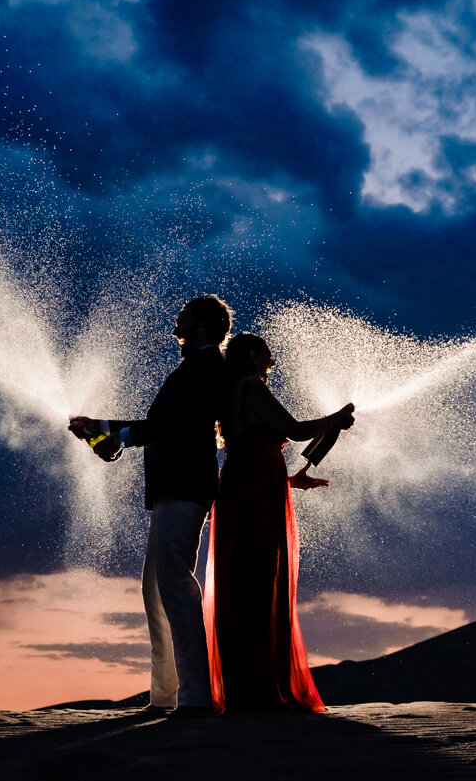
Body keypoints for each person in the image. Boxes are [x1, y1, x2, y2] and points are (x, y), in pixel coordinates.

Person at [68, 295, 232, 714]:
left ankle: (194, 695)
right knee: (157, 589)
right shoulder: (197, 367)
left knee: (173, 584)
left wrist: (110, 432)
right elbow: (167, 428)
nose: (176, 326)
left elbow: (170, 426)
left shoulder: (206, 367)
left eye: (184, 319)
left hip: (184, 487)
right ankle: (168, 694)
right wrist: (104, 433)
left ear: (201, 326)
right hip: (173, 488)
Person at [205, 332, 354, 713]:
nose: (270, 364)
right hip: (256, 491)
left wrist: (289, 480)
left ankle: (249, 686)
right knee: (259, 582)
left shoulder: (234, 392)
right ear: (253, 356)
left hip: (249, 486)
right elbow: (297, 430)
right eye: (267, 357)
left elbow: (246, 452)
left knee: (246, 582)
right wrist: (336, 418)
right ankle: (260, 691)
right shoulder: (251, 386)